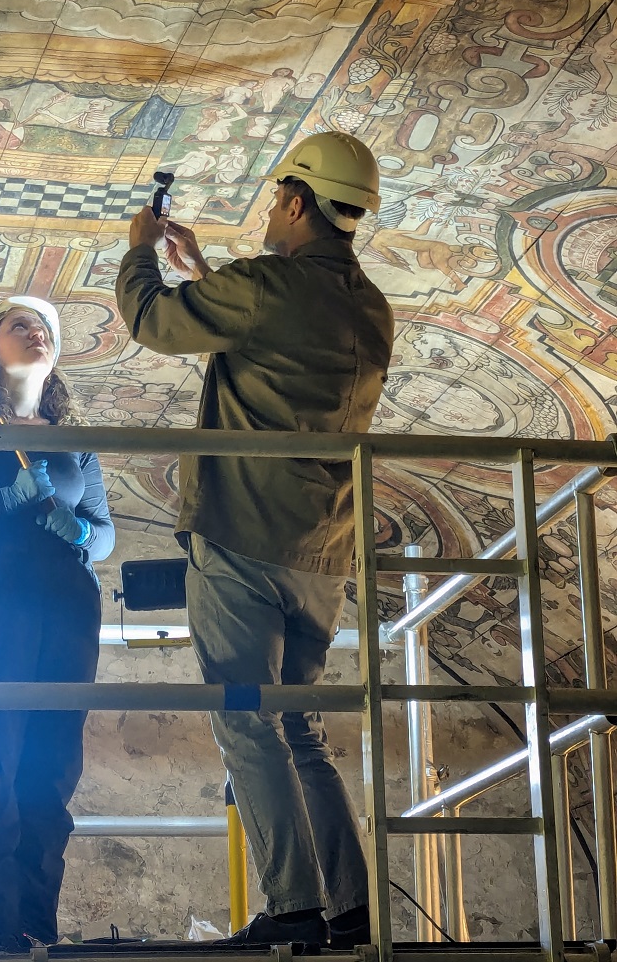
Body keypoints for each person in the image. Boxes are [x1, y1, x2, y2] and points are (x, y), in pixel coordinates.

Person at [115, 132, 394, 948]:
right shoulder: (371, 306)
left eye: (277, 199)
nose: (272, 212)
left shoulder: (265, 285)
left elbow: (149, 320)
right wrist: (210, 275)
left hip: (241, 531)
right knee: (300, 727)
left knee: (244, 718)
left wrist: (141, 250)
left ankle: (294, 906)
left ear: (298, 202)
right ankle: (352, 908)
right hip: (321, 550)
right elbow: (276, 348)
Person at [0, 295, 115, 958]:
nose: (36, 333)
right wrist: (11, 493)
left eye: (44, 329)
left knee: (52, 766)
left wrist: (78, 531)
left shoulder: (72, 441)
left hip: (67, 610)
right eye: (19, 325)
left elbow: (104, 535)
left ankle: (37, 926)